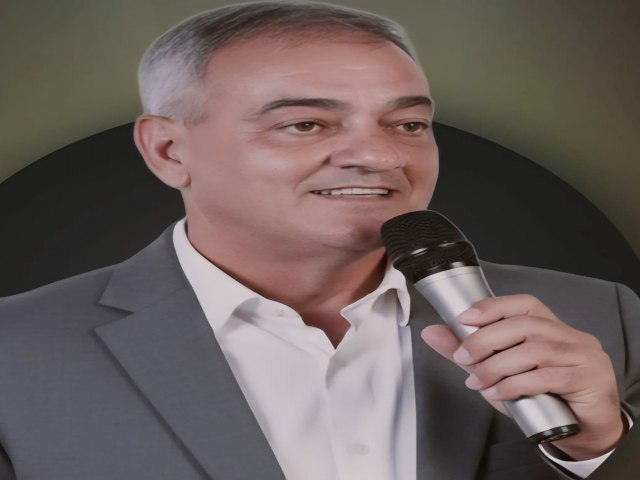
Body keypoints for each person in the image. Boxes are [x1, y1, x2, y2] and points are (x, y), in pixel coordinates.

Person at [0, 2, 638, 479]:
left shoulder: (598, 318)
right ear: (168, 149)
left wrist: (596, 448)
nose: (379, 156)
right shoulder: (16, 353)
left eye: (408, 123)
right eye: (306, 124)